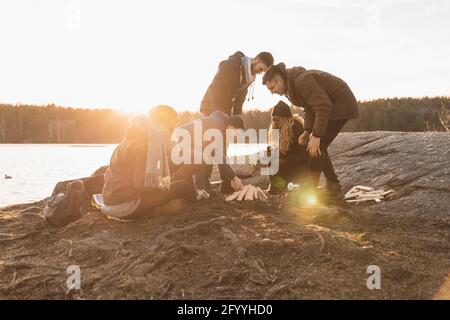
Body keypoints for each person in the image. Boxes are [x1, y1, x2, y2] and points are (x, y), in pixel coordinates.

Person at [262, 63, 359, 196]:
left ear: (279, 79)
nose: (272, 92)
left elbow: (323, 106)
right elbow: (308, 107)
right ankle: (333, 184)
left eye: (272, 87)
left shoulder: (302, 81)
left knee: (319, 144)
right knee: (319, 146)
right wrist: (307, 131)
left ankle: (314, 188)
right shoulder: (290, 88)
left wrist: (316, 136)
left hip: (340, 104)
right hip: (328, 106)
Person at [101, 105, 206, 220]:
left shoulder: (127, 141)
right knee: (183, 187)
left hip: (109, 202)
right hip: (128, 207)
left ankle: (161, 208)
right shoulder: (144, 146)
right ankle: (155, 211)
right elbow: (140, 184)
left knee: (174, 189)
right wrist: (162, 184)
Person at [174, 110, 246, 194]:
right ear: (232, 126)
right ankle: (195, 188)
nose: (233, 135)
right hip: (181, 138)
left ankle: (192, 188)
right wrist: (234, 178)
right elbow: (217, 156)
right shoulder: (218, 125)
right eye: (235, 132)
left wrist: (233, 177)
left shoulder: (217, 123)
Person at [200, 51, 274, 116]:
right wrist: (218, 114)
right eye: (260, 69)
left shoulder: (248, 79)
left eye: (262, 72)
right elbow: (215, 88)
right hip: (211, 107)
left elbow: (239, 101)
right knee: (214, 131)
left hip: (224, 111)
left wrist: (237, 121)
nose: (259, 72)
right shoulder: (232, 64)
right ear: (256, 59)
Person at [267, 101, 309, 194]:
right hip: (285, 167)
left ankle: (292, 186)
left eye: (277, 119)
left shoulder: (298, 129)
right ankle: (273, 186)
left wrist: (285, 160)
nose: (275, 122)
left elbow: (305, 157)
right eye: (273, 119)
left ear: (286, 119)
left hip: (300, 167)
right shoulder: (275, 131)